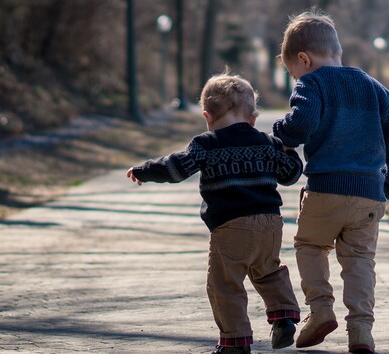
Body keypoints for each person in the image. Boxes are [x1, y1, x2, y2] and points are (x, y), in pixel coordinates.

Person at [126, 72, 304, 354]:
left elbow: (175, 169)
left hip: (231, 226)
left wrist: (145, 170)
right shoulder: (266, 142)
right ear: (253, 117)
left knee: (225, 284)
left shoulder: (205, 144)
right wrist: (290, 149)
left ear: (207, 116)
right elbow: (291, 174)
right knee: (269, 270)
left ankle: (235, 341)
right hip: (270, 223)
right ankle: (284, 316)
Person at [274, 10, 389, 354]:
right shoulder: (372, 86)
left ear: (304, 59)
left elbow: (300, 126)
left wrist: (280, 132)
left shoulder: (312, 83)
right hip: (368, 194)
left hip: (325, 190)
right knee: (360, 261)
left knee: (310, 246)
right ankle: (361, 330)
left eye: (293, 72)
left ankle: (320, 310)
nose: (295, 78)